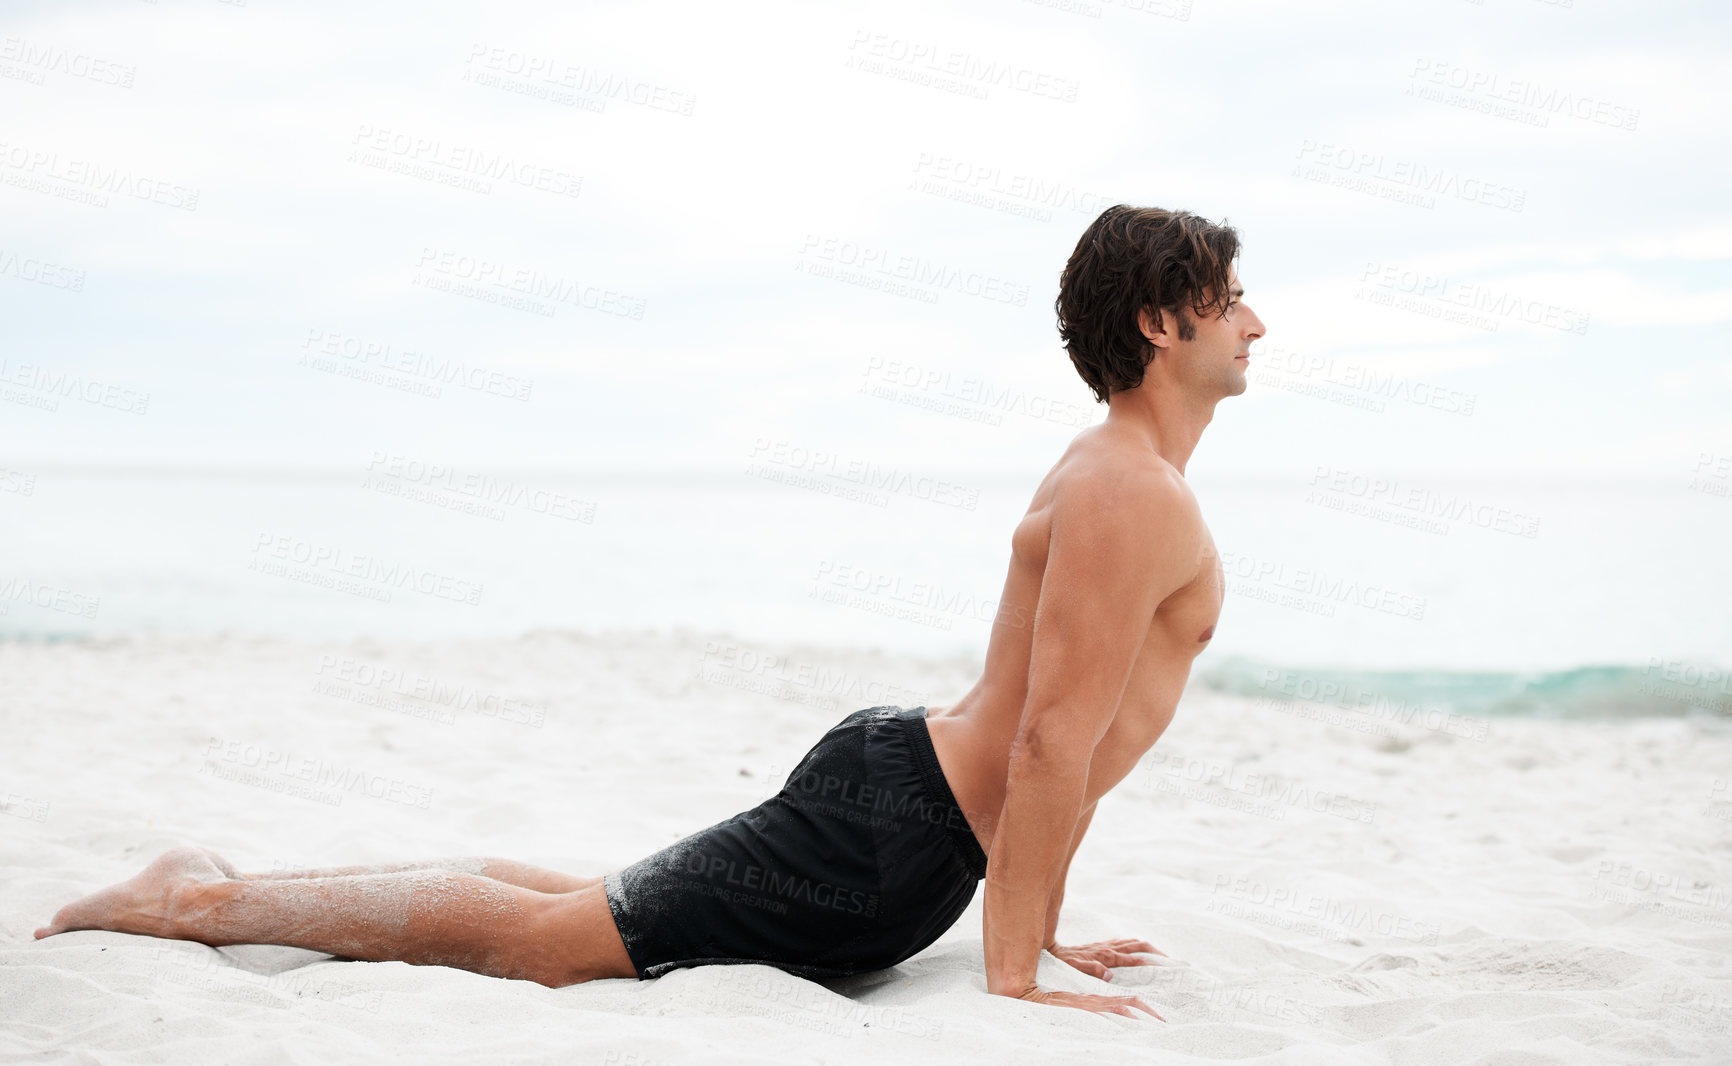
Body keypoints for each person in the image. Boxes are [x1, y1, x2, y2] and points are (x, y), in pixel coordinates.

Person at [36, 205, 1265, 1020]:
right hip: (892, 831)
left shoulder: (1126, 477)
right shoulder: (1126, 487)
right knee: (548, 942)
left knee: (589, 895)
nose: (1255, 321)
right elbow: (1052, 736)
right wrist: (1013, 972)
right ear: (1163, 322)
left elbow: (1078, 741)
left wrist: (1040, 928)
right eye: (1229, 298)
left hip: (914, 823)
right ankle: (190, 903)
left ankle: (220, 883)